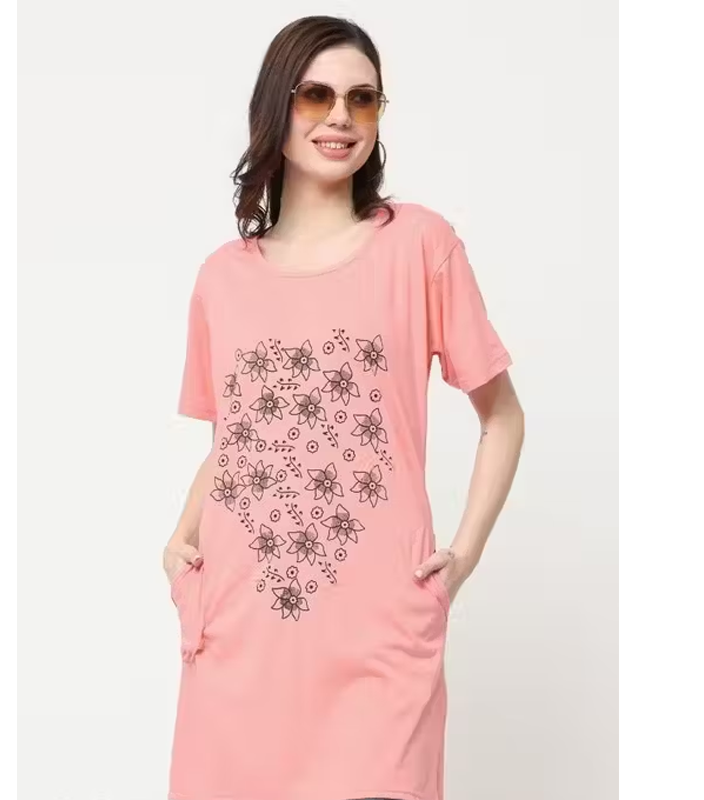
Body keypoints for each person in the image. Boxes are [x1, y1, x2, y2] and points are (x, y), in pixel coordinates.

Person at [162, 14, 524, 800]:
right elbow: (238, 442)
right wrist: (179, 540)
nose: (341, 117)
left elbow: (502, 417)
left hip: (379, 639)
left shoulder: (420, 244)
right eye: (317, 95)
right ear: (276, 106)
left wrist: (461, 558)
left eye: (364, 99)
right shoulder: (222, 278)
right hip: (239, 636)